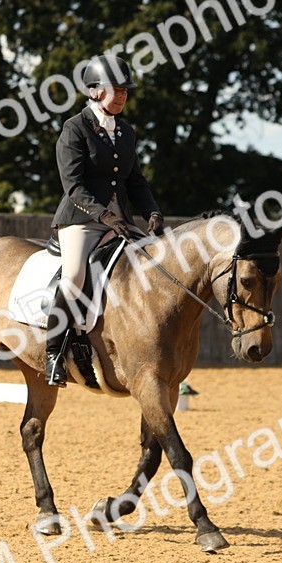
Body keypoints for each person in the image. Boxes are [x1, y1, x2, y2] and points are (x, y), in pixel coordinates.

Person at [45, 54, 166, 386]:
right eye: (118, 90)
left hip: (120, 222)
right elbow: (73, 186)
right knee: (73, 276)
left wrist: (152, 212)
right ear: (96, 91)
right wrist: (104, 215)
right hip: (81, 219)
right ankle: (54, 352)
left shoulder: (125, 132)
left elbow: (135, 181)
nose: (124, 96)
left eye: (126, 91)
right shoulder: (74, 129)